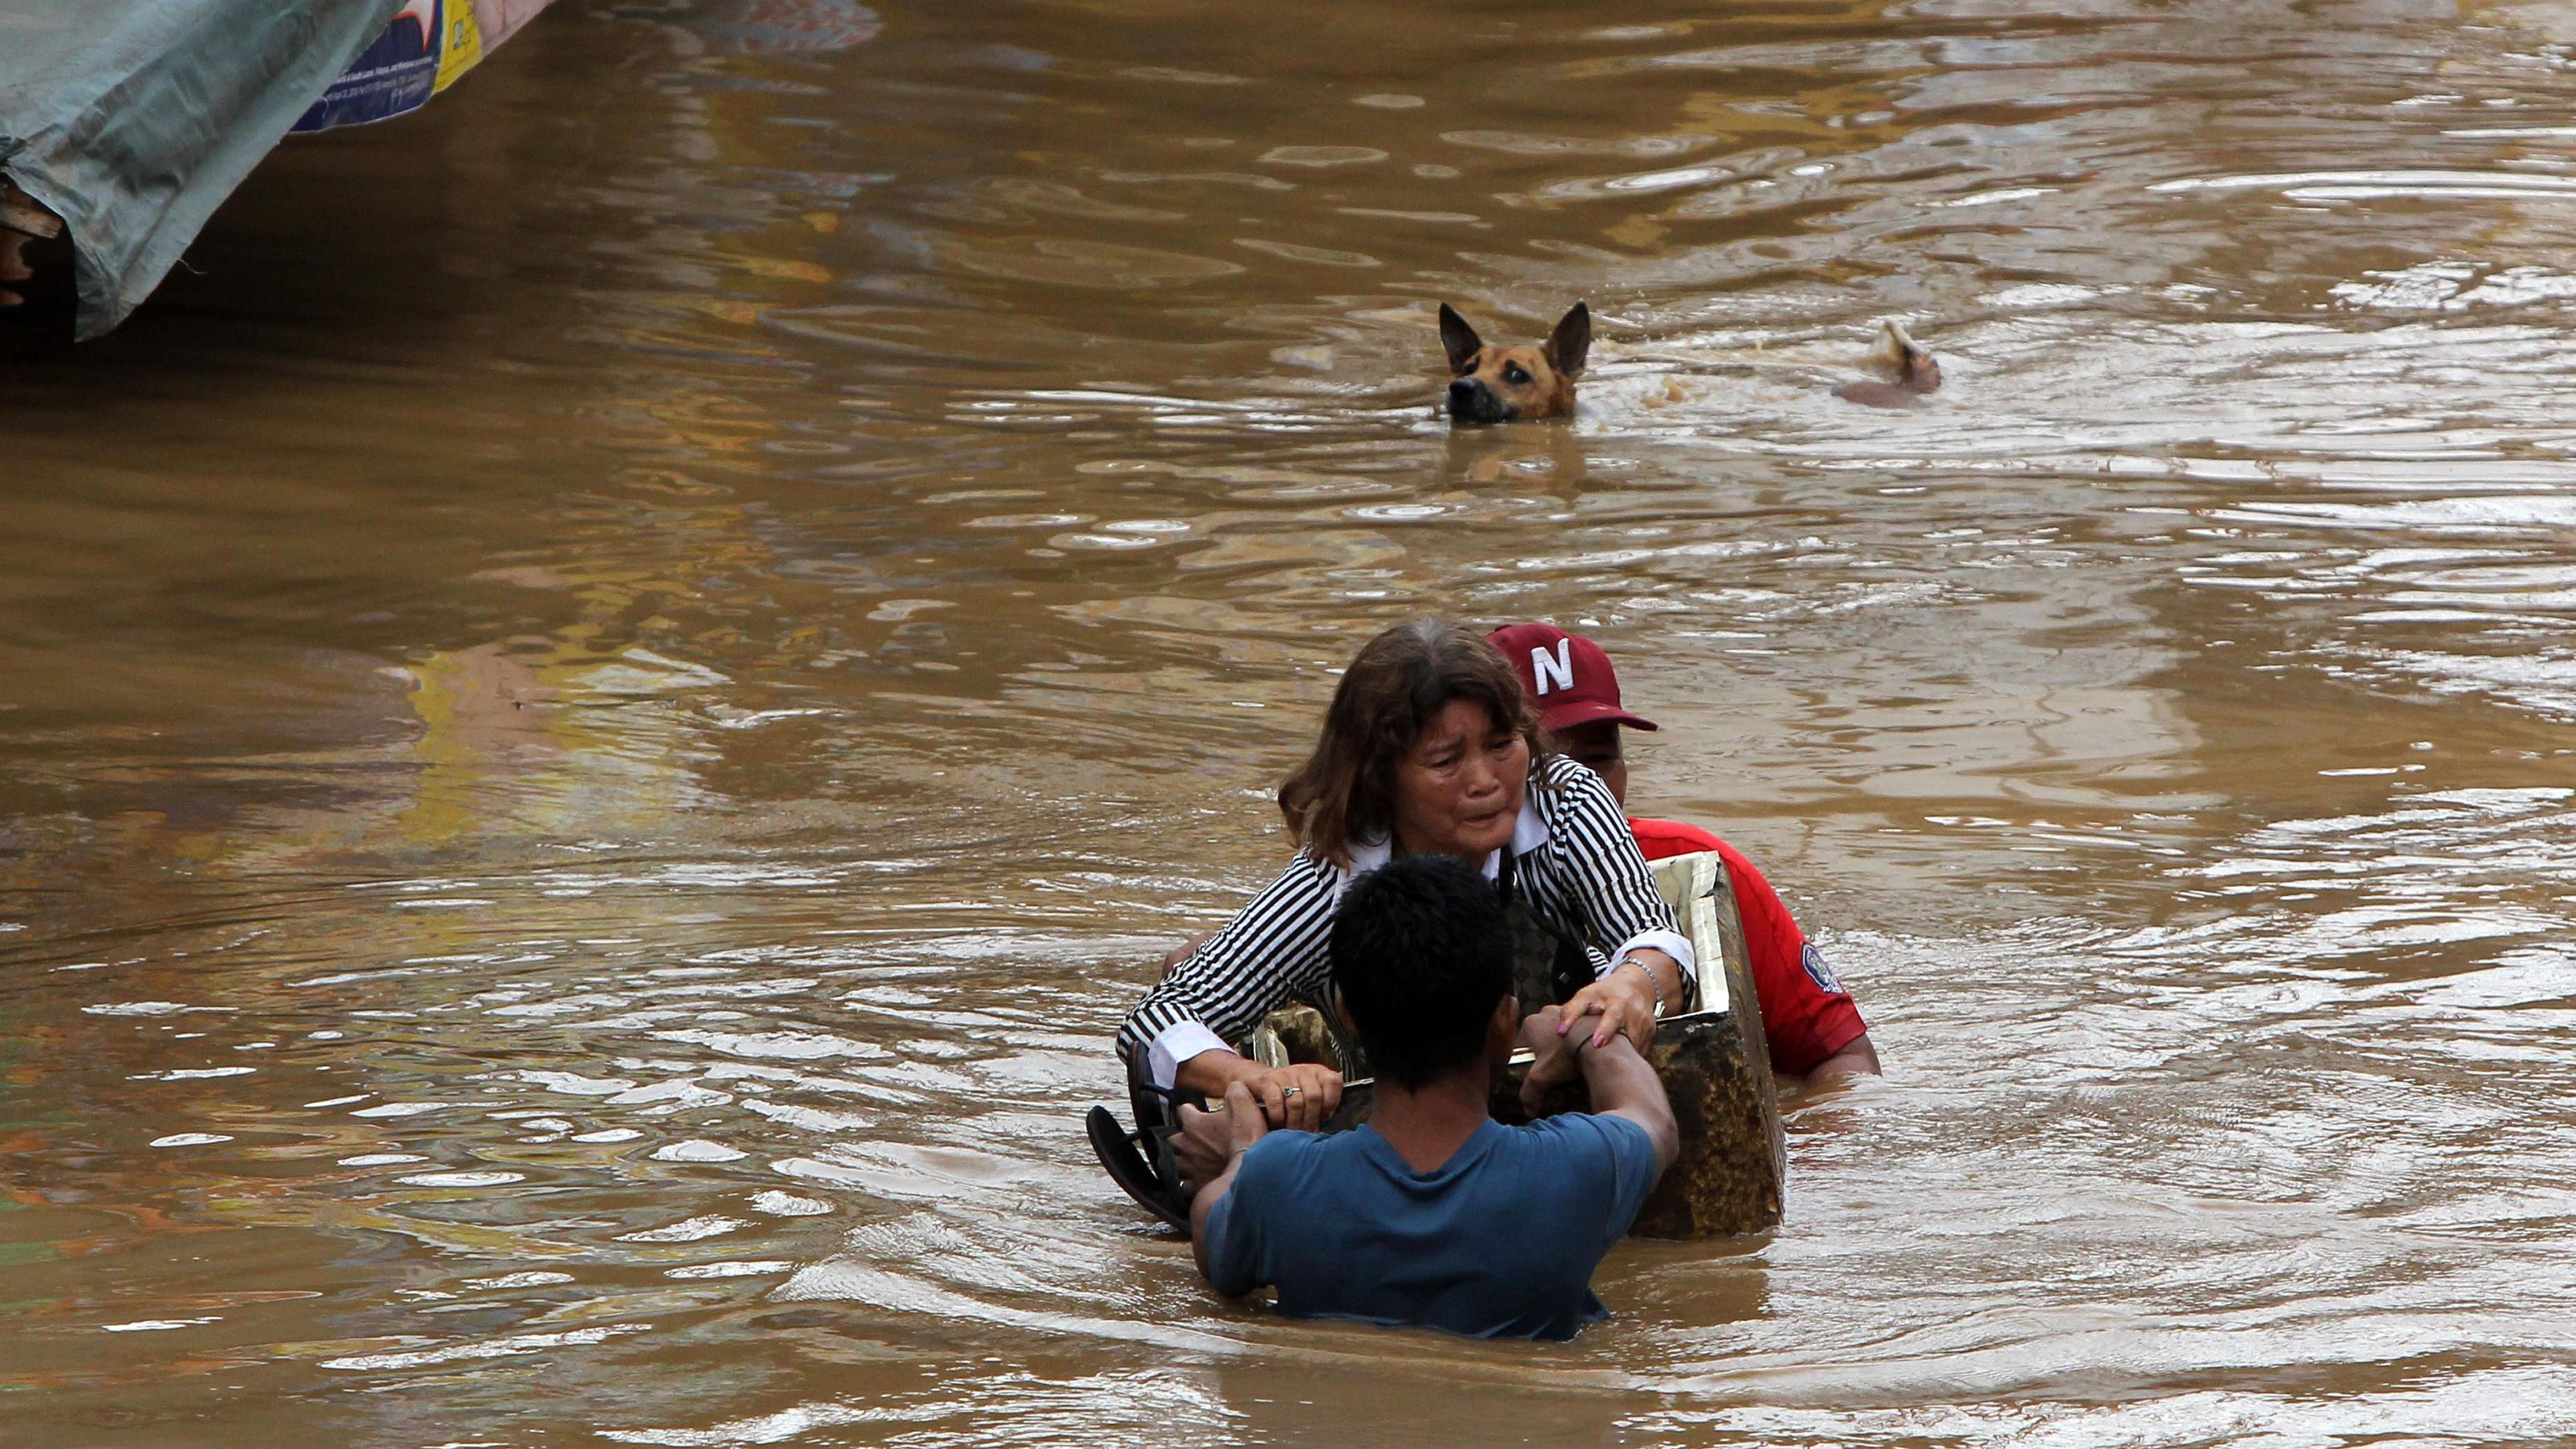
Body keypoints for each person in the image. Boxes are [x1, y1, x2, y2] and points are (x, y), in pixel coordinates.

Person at [1114, 619, 1696, 1192]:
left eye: (1502, 745)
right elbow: (1158, 1020)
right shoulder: (1333, 878)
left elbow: (1654, 936)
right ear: (1380, 779)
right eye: (1446, 762)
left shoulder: (1563, 799)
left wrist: (1630, 984)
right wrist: (1262, 1079)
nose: (1486, 781)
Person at [1190, 853, 1676, 1339]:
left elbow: (1214, 1247)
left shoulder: (1277, 1179)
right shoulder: (1575, 1168)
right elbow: (1654, 1120)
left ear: (1348, 1014)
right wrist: (1586, 1034)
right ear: (1505, 1021)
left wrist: (1241, 1152)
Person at [1486, 623, 1881, 1083]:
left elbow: (1844, 1062)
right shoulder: (1427, 879)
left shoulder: (1702, 869)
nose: (1573, 789)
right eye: (1543, 766)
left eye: (1597, 761)